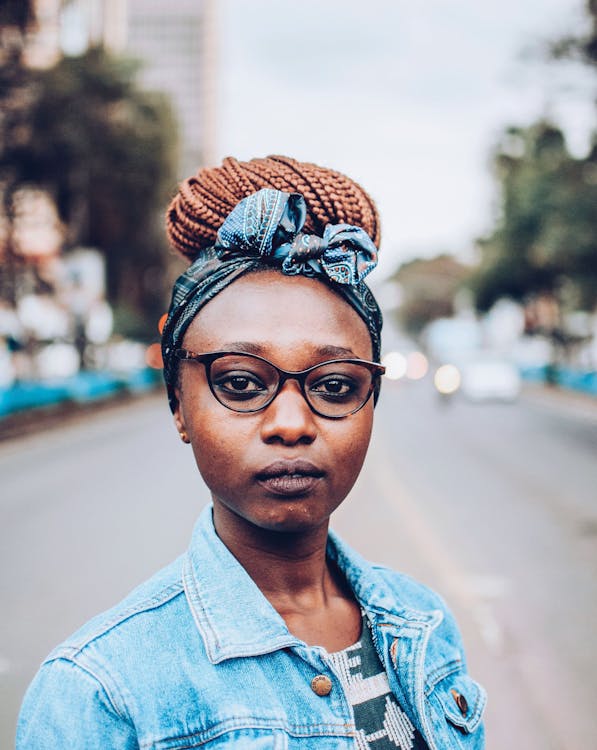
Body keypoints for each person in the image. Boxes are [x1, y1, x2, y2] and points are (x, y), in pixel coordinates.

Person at [17, 156, 486, 749]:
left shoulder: (423, 625)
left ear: (372, 400)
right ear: (179, 405)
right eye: (240, 383)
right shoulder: (103, 694)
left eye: (334, 385)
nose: (291, 423)